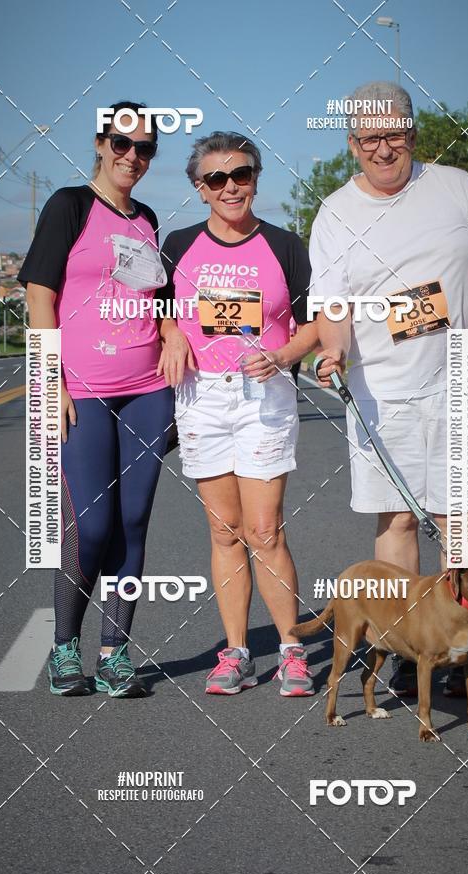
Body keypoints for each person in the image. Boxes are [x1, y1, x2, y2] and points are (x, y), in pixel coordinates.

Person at [311, 82, 468, 697]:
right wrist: (333, 347)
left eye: (395, 136)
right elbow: (331, 306)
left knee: (456, 520)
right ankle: (409, 644)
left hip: (460, 368)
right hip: (381, 383)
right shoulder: (335, 214)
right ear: (353, 145)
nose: (384, 150)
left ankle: (459, 644)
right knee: (398, 520)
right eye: (370, 139)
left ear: (414, 134)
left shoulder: (455, 186)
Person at [19, 101, 188, 697]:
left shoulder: (146, 218)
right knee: (91, 527)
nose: (132, 156)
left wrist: (170, 331)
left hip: (146, 391)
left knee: (133, 524)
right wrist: (50, 381)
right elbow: (41, 295)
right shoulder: (68, 205)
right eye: (122, 144)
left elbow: (157, 296)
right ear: (99, 143)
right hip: (83, 392)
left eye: (144, 148)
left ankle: (116, 654)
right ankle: (65, 645)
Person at [158, 131, 319, 696]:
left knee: (263, 529)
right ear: (200, 188)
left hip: (264, 397)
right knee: (225, 531)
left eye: (242, 174)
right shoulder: (175, 244)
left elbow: (317, 325)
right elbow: (156, 307)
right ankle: (236, 654)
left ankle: (293, 650)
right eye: (217, 179)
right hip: (202, 396)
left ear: (255, 178)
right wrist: (172, 330)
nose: (231, 187)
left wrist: (281, 355)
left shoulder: (285, 245)